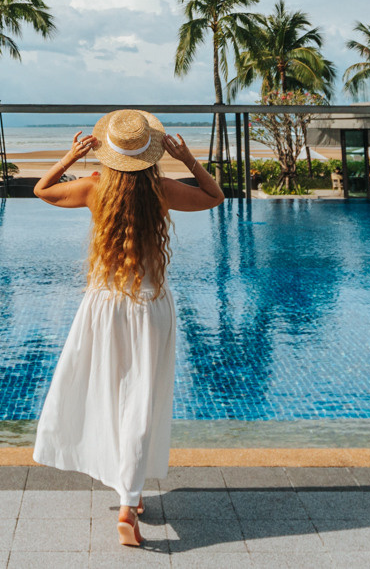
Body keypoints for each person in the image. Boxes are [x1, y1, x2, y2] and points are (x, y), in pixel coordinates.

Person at [31, 109, 225, 547]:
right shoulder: (162, 190)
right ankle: (128, 500)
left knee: (106, 395)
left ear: (108, 151)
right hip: (149, 304)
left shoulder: (94, 189)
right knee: (141, 400)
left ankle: (126, 492)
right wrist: (188, 158)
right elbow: (214, 197)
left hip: (103, 305)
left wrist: (70, 155)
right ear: (150, 154)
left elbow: (41, 189)